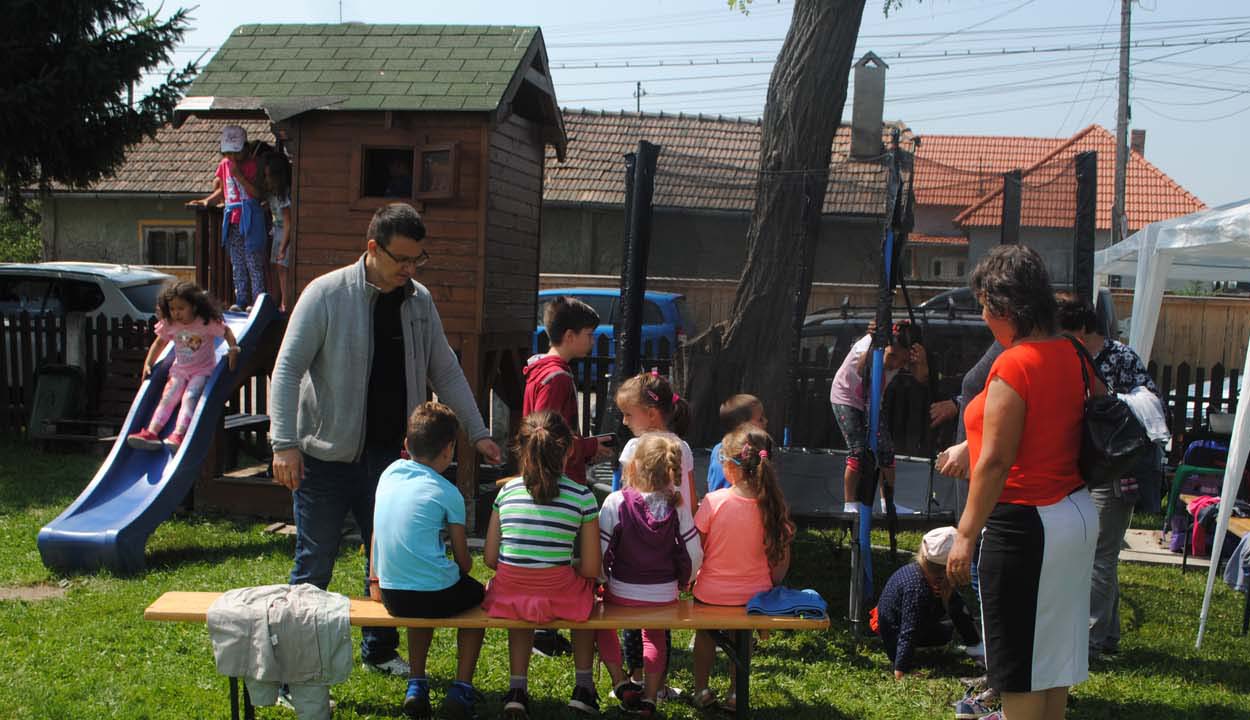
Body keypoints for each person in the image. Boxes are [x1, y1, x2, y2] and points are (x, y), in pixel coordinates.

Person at [269, 202, 502, 677]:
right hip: (323, 460)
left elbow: (447, 371)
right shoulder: (325, 294)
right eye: (402, 260)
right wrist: (283, 443)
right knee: (314, 565)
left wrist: (477, 432)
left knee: (385, 563)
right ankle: (295, 669)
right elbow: (287, 369)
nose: (411, 270)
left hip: (394, 465)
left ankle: (377, 650)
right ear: (372, 248)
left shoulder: (419, 302)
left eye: (419, 260)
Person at [946, 245, 1098, 720]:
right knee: (1051, 665)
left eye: (984, 307)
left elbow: (995, 461)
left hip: (1026, 526)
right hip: (1074, 516)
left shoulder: (1015, 362)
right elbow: (1073, 418)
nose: (983, 317)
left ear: (1005, 308)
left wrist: (965, 535)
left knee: (1018, 670)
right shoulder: (1072, 352)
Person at [1055, 292, 1160, 660]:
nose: (1059, 337)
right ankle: (1108, 634)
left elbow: (1150, 401)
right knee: (1100, 553)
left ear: (1083, 329)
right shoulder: (1067, 358)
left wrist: (1109, 402)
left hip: (1116, 472)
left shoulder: (1120, 357)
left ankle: (1091, 640)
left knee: (1098, 556)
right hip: (1084, 470)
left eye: (1065, 330)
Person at [482, 411, 602, 719]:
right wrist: (566, 565)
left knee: (520, 591)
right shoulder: (582, 496)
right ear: (569, 450)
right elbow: (590, 568)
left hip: (508, 595)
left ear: (521, 449)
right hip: (560, 594)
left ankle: (517, 689)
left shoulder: (506, 492)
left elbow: (491, 559)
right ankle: (583, 686)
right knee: (588, 591)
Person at [370, 402, 485, 720]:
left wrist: (374, 579)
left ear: (406, 445)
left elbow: (377, 533)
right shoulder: (448, 492)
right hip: (434, 593)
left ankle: (416, 683)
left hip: (393, 594)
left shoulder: (388, 474)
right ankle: (461, 687)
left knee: (419, 601)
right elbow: (463, 562)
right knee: (481, 603)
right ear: (449, 449)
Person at [523, 295, 614, 658]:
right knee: (562, 553)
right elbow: (549, 437)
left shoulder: (539, 369)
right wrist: (590, 448)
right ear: (571, 335)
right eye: (590, 334)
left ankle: (545, 627)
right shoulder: (557, 377)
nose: (593, 341)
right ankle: (546, 629)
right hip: (557, 478)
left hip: (544, 472)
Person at [597, 433, 704, 718]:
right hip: (664, 594)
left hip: (620, 593)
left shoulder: (615, 501)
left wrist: (600, 581)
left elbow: (601, 550)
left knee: (600, 625)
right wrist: (686, 580)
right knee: (654, 637)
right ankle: (651, 697)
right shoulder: (678, 503)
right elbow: (694, 554)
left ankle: (621, 682)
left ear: (633, 467)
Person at [690, 426, 794, 712]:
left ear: (728, 466)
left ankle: (701, 689)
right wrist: (771, 584)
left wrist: (689, 580)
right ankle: (736, 694)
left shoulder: (713, 502)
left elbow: (695, 550)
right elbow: (782, 558)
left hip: (711, 594)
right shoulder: (773, 506)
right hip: (754, 598)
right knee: (742, 639)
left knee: (705, 635)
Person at [612, 370, 695, 696]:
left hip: (633, 542)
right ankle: (655, 686)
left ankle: (633, 677)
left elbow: (623, 493)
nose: (623, 421)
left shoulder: (634, 446)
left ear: (649, 414)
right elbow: (689, 495)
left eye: (628, 414)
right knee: (660, 620)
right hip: (670, 542)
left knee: (633, 617)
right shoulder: (683, 447)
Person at [127, 281, 238, 451]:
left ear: (193, 306)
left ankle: (178, 434)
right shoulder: (171, 324)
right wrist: (148, 363)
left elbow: (227, 332)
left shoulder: (205, 323)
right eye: (172, 309)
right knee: (169, 397)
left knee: (190, 397)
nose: (176, 313)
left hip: (202, 371)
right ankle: (152, 433)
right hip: (179, 371)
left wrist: (233, 350)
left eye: (181, 308)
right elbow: (159, 343)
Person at [830, 324, 929, 514]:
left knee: (886, 450)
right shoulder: (868, 345)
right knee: (858, 450)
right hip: (845, 397)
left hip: (872, 402)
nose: (894, 364)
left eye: (902, 360)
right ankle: (850, 505)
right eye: (891, 356)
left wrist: (921, 361)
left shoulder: (901, 354)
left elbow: (922, 378)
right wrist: (875, 344)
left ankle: (888, 504)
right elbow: (860, 371)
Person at [873, 527, 980, 680]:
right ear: (947, 571)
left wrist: (975, 645)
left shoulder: (927, 576)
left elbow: (959, 610)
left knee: (951, 618)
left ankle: (975, 647)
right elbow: (909, 631)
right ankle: (907, 661)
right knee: (942, 633)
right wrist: (901, 669)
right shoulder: (917, 590)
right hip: (895, 635)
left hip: (913, 624)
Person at [188, 125, 267, 311]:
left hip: (250, 216)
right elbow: (222, 191)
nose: (232, 158)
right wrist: (206, 202)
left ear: (245, 148)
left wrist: (239, 176)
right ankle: (241, 299)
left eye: (236, 153)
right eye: (228, 153)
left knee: (253, 260)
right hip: (232, 217)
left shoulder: (253, 165)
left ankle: (257, 300)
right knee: (237, 261)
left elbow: (257, 193)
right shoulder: (224, 165)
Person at [706, 394, 766, 494]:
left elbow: (710, 482)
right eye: (760, 419)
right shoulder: (752, 453)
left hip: (717, 505)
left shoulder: (717, 449)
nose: (766, 421)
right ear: (742, 426)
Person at [262, 152, 293, 312]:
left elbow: (288, 222)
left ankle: (285, 304)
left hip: (284, 234)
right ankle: (275, 300)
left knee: (282, 268)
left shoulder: (284, 195)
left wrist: (283, 246)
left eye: (269, 176)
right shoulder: (273, 194)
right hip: (276, 232)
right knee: (274, 266)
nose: (267, 180)